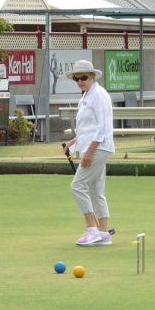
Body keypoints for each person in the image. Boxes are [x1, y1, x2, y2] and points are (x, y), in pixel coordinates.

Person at [62, 60, 115, 246]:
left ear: (92, 76)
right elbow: (88, 127)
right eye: (77, 78)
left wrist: (88, 153)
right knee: (95, 191)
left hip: (99, 148)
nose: (80, 81)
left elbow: (102, 128)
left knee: (77, 186)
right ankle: (103, 233)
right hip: (93, 147)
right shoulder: (86, 97)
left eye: (84, 77)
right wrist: (74, 142)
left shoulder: (98, 95)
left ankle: (91, 230)